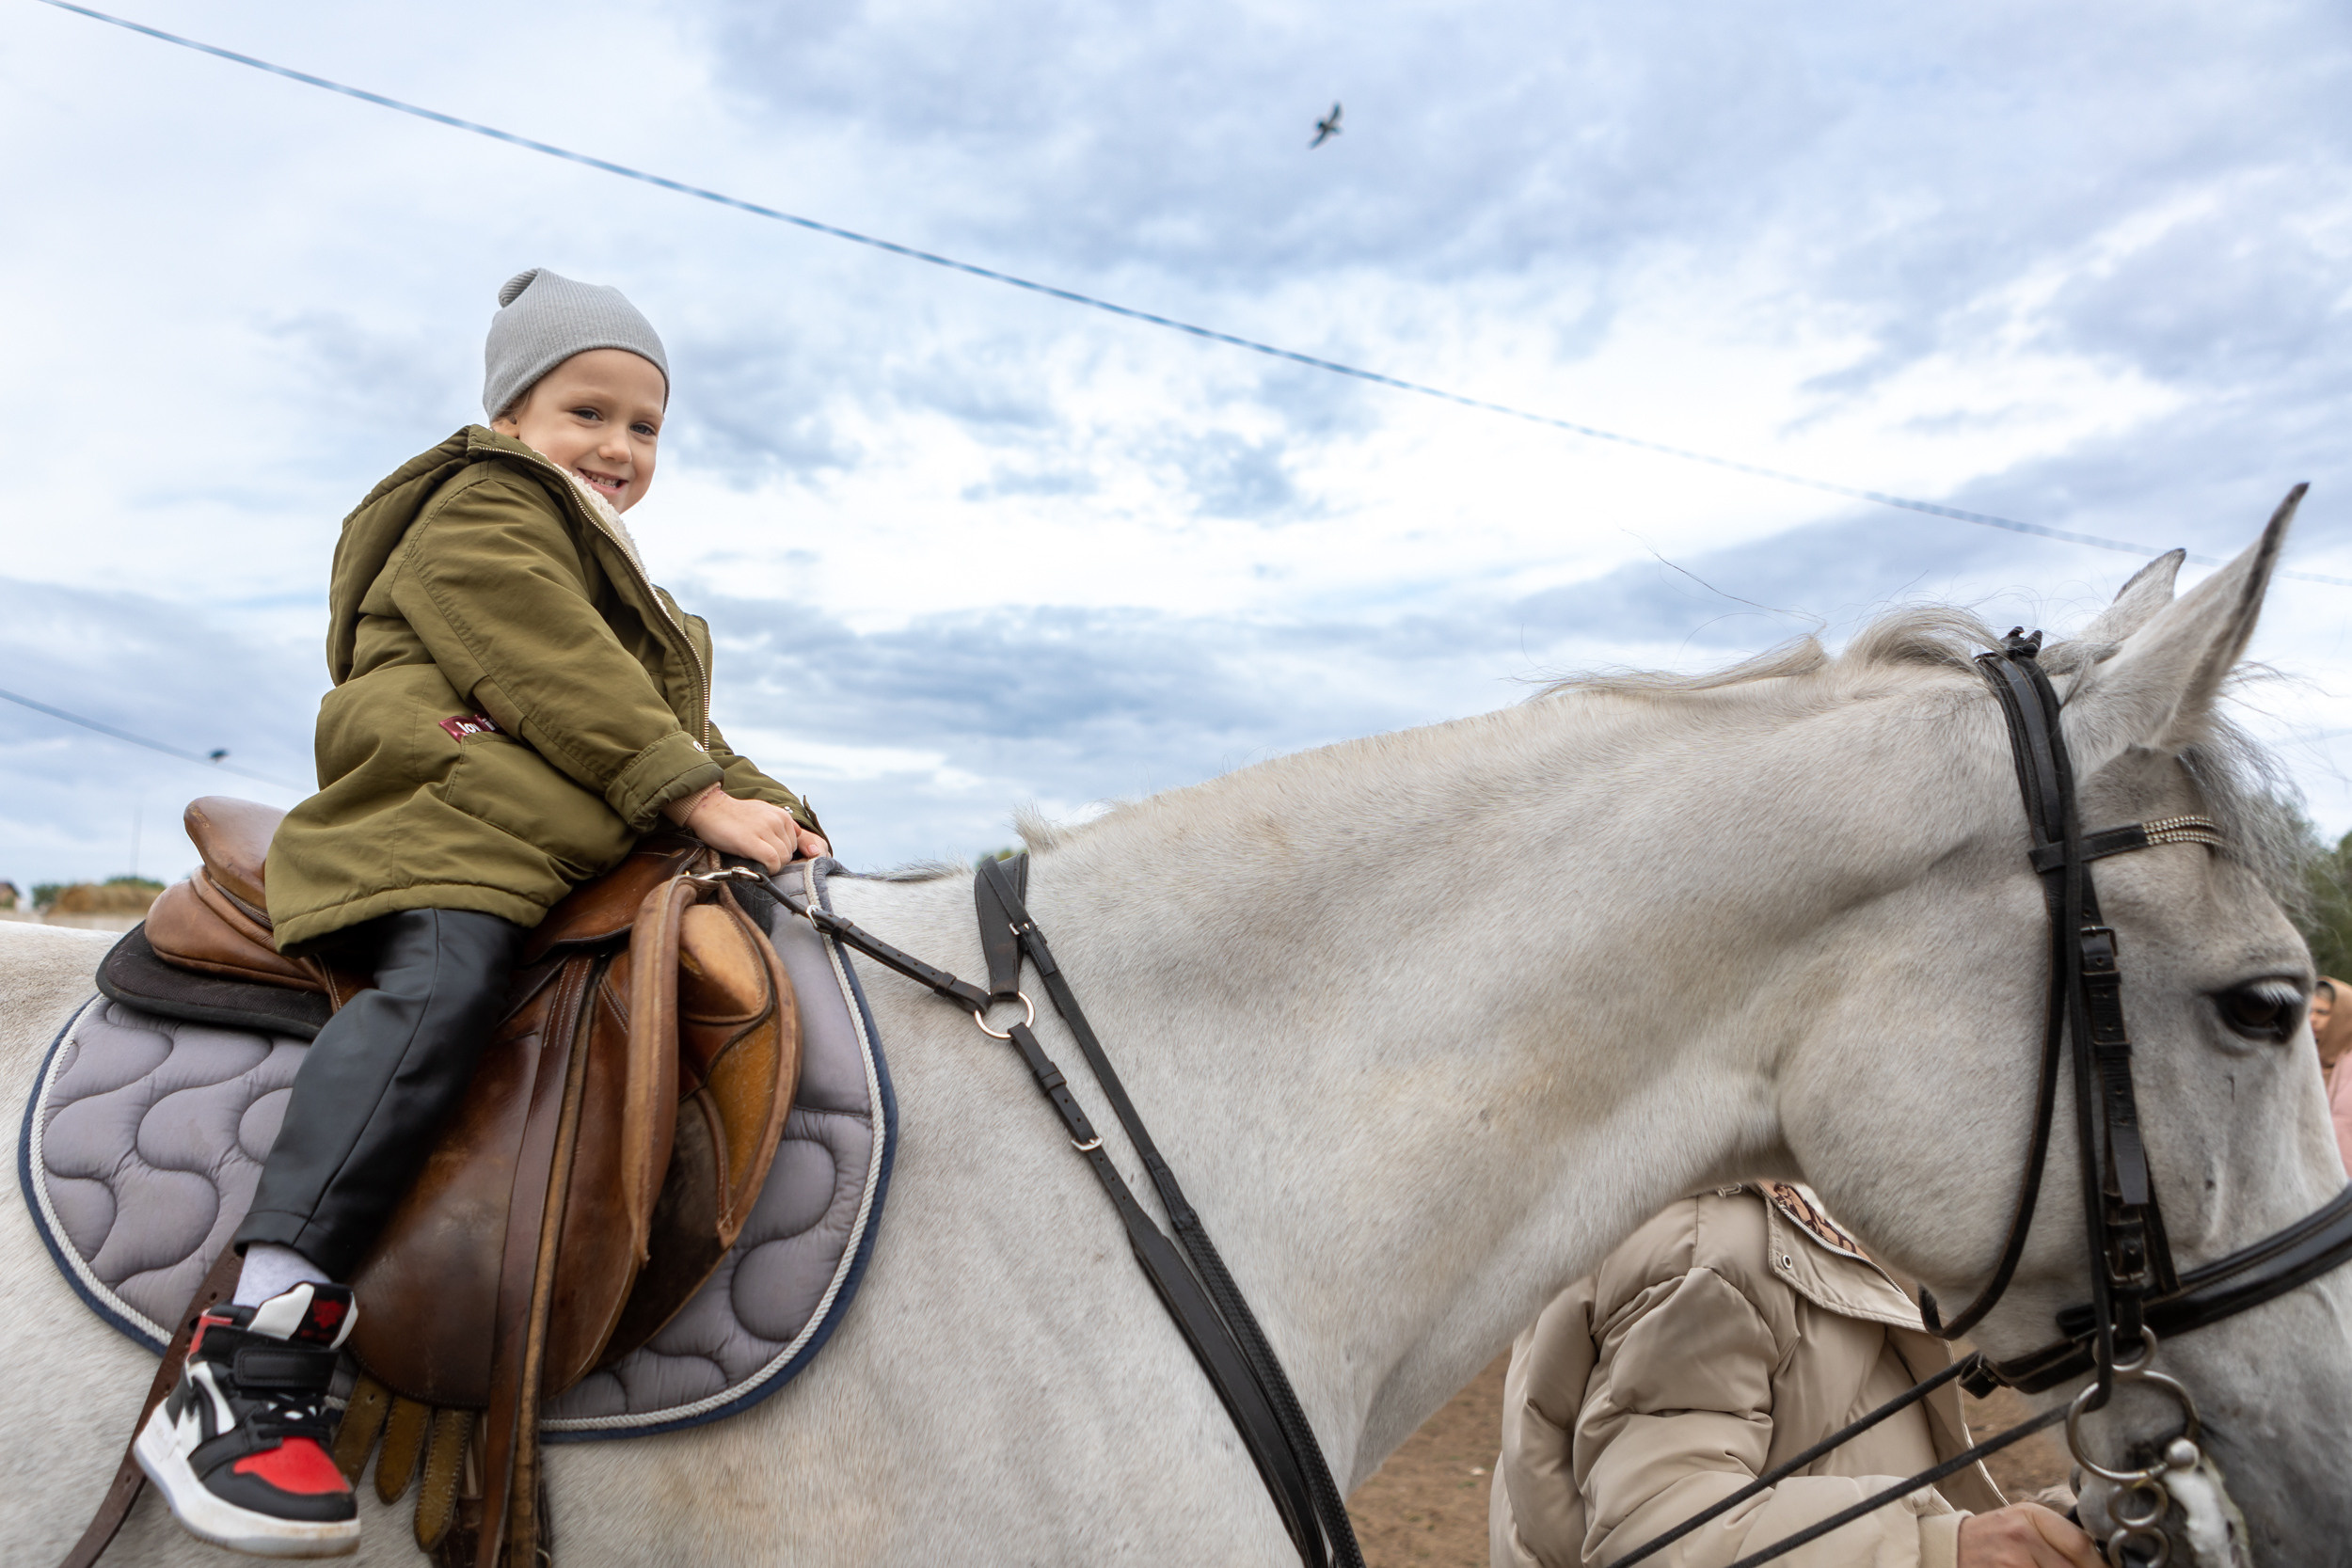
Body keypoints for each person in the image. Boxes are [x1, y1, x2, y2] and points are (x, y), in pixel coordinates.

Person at [132, 269, 827, 1557]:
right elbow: (542, 658)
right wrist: (688, 794)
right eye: (588, 410)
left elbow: (684, 729)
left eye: (646, 426)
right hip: (444, 812)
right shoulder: (480, 506)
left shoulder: (625, 580)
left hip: (550, 824)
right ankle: (252, 1342)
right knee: (445, 978)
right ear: (513, 413)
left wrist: (780, 809)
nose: (618, 448)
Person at [1490, 1183, 2103, 1568]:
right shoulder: (1708, 1240)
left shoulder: (1787, 1200)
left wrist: (2068, 1526)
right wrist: (1941, 1550)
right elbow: (1657, 1531)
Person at [2313, 977, 2352, 1177]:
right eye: (2308, 1011)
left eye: (2322, 1012)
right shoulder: (2298, 1061)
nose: (2312, 1019)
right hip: (2309, 1186)